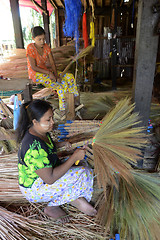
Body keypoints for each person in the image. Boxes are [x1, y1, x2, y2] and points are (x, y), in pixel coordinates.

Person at [16, 99, 97, 223]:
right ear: (35, 121)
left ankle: (72, 196)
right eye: (48, 120)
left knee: (83, 163)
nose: (52, 122)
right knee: (83, 172)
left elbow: (48, 147)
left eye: (52, 118)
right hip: (35, 188)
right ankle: (53, 206)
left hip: (44, 177)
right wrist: (73, 157)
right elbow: (50, 178)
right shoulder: (33, 147)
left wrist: (61, 144)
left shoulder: (40, 132)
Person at [26, 26, 79, 112]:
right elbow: (33, 67)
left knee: (69, 77)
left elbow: (52, 62)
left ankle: (75, 102)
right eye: (39, 39)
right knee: (61, 86)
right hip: (36, 74)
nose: (42, 41)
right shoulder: (30, 48)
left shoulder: (46, 47)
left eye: (44, 39)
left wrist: (56, 75)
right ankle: (64, 111)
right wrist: (49, 73)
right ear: (33, 38)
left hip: (46, 71)